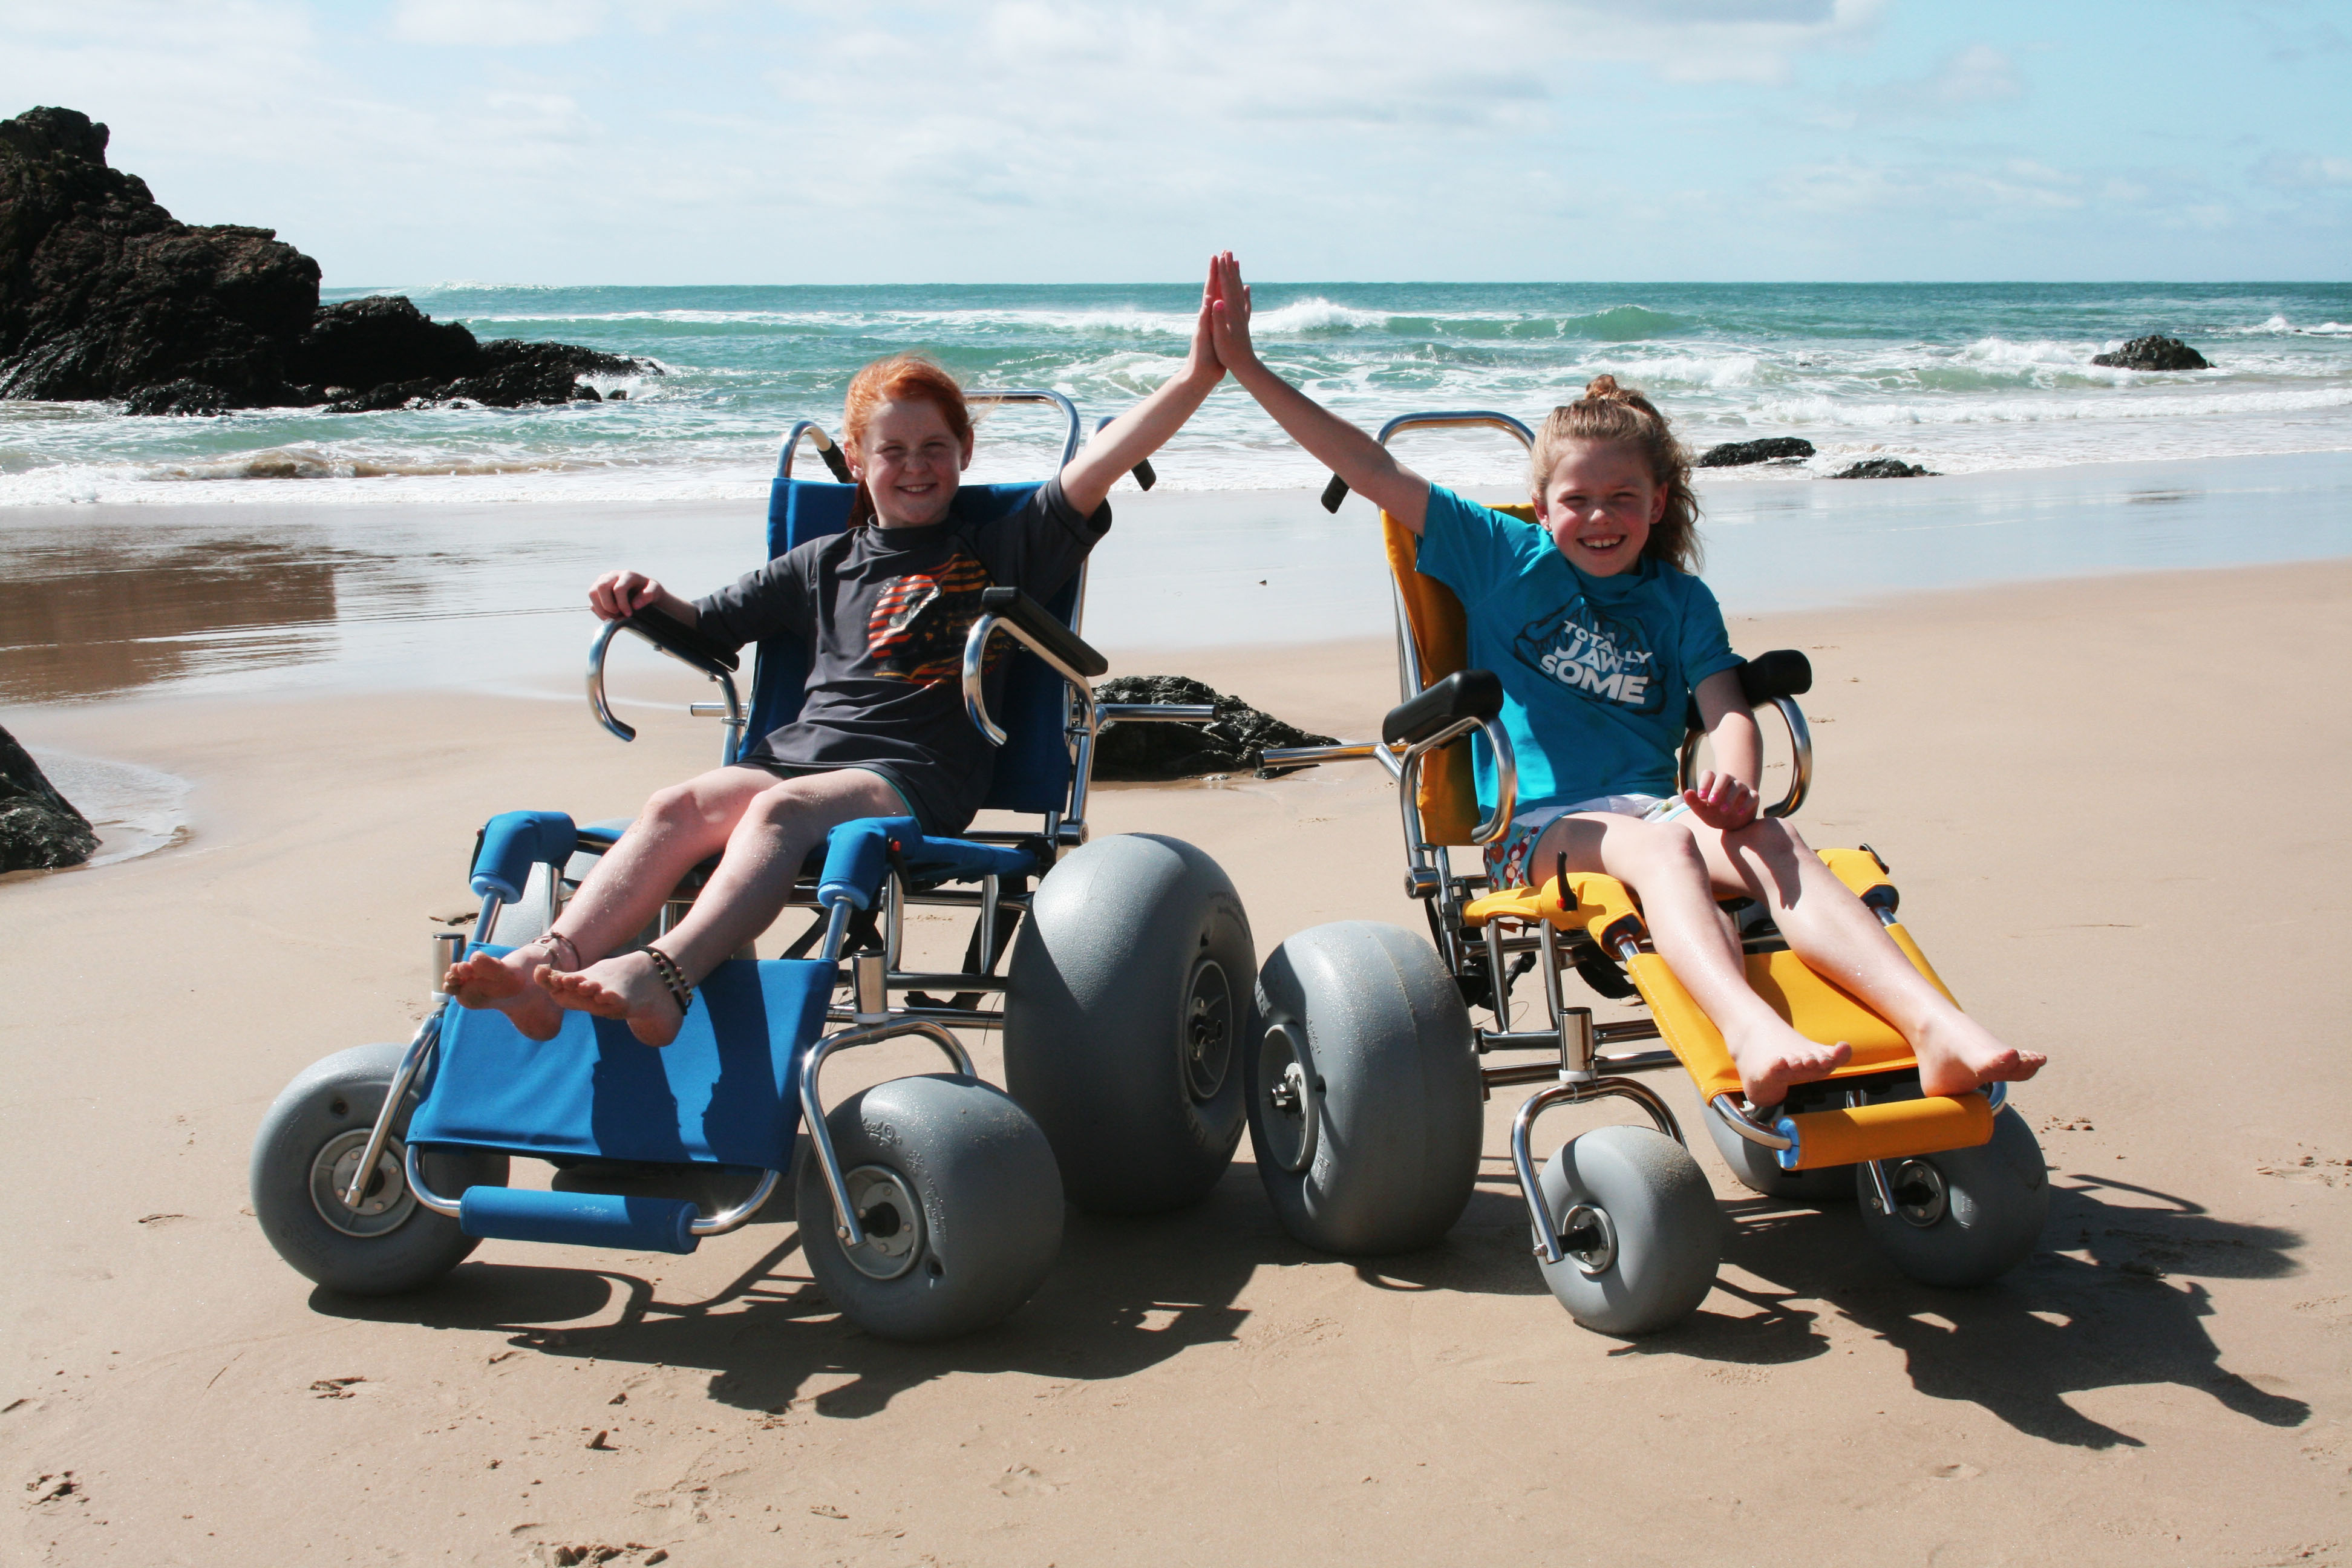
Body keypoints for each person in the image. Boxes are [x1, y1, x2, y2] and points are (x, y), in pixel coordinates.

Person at [1202, 253, 2042, 1107]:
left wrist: (1737, 784)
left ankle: (1933, 1024)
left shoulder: (1679, 600)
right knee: (1664, 846)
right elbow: (1371, 468)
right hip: (1538, 830)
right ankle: (1753, 1034)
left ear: (1659, 501)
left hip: (1662, 811)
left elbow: (1728, 710)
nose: (1599, 518)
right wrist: (1249, 368)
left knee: (1774, 843)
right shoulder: (1503, 558)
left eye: (1623, 497)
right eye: (1576, 500)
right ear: (1540, 503)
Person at [443, 264, 1229, 1047]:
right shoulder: (821, 562)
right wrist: (644, 597)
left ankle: (666, 974)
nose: (915, 466)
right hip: (796, 760)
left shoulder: (1000, 547)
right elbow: (710, 625)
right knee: (674, 807)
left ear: (964, 451)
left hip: (911, 777)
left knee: (778, 811)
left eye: (934, 448)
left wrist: (1198, 375)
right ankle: (544, 968)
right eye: (893, 450)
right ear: (856, 459)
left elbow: (1104, 461)